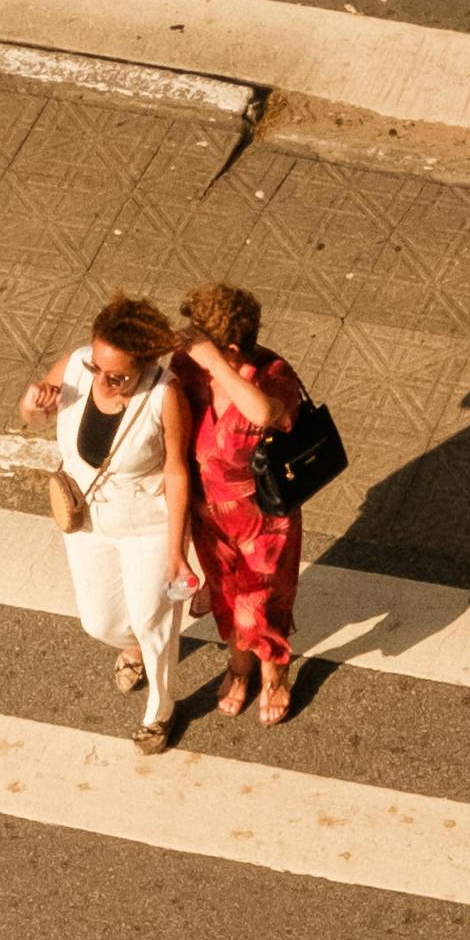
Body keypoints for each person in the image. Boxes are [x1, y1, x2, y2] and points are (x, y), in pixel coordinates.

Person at [23, 291, 206, 754]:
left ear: (144, 366)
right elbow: (32, 416)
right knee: (99, 623)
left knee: (152, 619)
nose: (102, 382)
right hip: (86, 520)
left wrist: (176, 552)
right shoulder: (74, 366)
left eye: (118, 377)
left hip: (146, 526)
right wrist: (33, 406)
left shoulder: (164, 396)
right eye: (97, 369)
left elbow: (177, 472)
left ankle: (160, 710)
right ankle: (135, 646)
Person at [176, 280, 321, 726]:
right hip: (209, 515)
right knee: (225, 595)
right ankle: (239, 662)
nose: (189, 346)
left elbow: (263, 413)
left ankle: (273, 669)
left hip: (263, 518)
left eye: (201, 342)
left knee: (262, 602)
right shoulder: (187, 366)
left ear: (232, 350)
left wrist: (215, 364)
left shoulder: (273, 376)